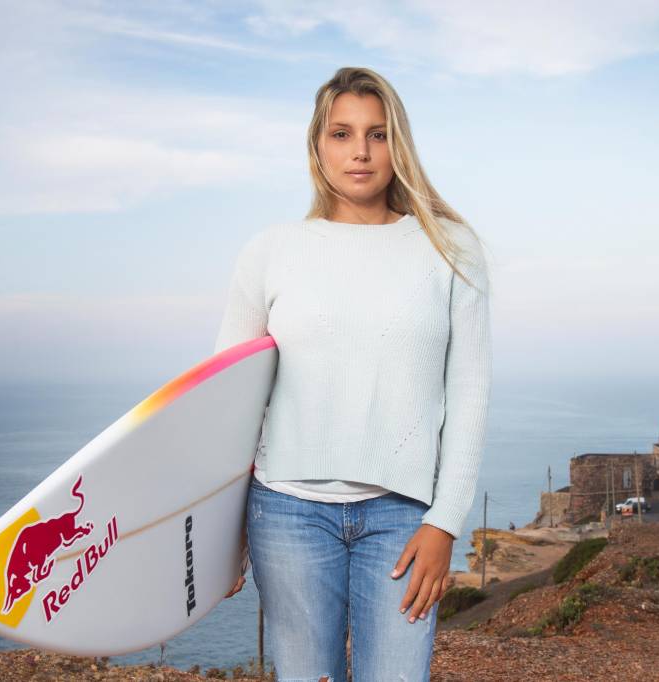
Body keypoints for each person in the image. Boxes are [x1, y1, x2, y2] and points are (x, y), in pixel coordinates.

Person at [213, 66, 492, 682]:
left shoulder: (451, 249)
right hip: (285, 512)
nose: (360, 151)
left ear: (399, 145)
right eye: (341, 133)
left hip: (404, 517)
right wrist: (221, 527)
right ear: (318, 145)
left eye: (377, 134)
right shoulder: (270, 250)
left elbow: (469, 394)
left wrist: (445, 522)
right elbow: (229, 399)